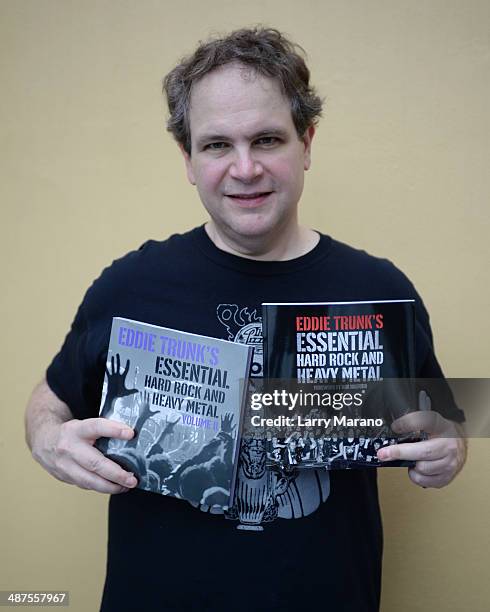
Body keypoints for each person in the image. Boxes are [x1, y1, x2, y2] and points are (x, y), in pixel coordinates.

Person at [25, 27, 466, 612]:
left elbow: (442, 423)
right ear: (187, 158)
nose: (245, 168)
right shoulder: (130, 285)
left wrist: (447, 450)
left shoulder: (379, 290)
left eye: (267, 139)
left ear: (306, 143)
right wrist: (49, 440)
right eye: (215, 145)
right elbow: (49, 403)